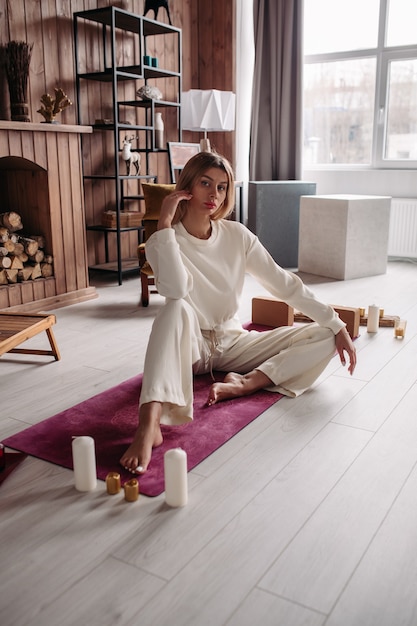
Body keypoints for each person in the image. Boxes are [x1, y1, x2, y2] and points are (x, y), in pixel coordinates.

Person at [120, 152, 356, 474]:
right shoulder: (167, 238)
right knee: (174, 308)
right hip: (190, 346)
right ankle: (148, 424)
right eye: (205, 183)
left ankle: (247, 383)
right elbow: (174, 290)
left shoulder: (237, 236)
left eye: (221, 186)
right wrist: (163, 224)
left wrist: (336, 323)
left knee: (325, 335)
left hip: (232, 344)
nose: (214, 195)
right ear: (186, 185)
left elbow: (285, 284)